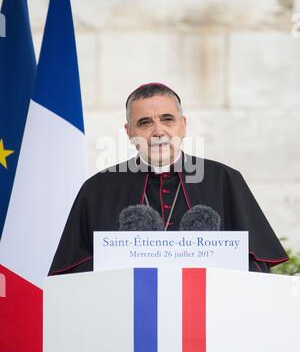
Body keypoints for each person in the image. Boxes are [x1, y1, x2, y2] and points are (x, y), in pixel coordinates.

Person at [48, 82, 288, 275]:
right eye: (144, 123)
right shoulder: (98, 189)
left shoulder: (225, 180)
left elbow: (255, 265)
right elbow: (74, 272)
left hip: (207, 318)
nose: (158, 131)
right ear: (129, 132)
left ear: (183, 126)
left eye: (167, 119)